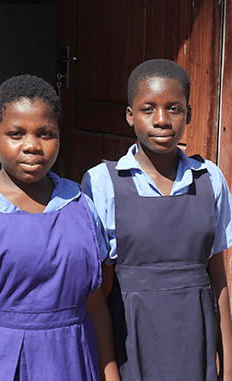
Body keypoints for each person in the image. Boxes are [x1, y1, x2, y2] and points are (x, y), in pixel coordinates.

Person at [0, 74, 120, 381]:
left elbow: (96, 306)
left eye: (45, 133)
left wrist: (110, 375)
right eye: (16, 134)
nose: (32, 145)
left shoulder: (81, 206)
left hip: (72, 362)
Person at [82, 58, 232, 381]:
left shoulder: (210, 180)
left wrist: (228, 364)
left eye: (174, 109)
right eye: (148, 109)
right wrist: (109, 372)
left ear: (188, 114)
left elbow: (217, 276)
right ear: (130, 115)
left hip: (196, 339)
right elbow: (98, 292)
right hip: (131, 341)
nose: (161, 120)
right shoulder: (104, 183)